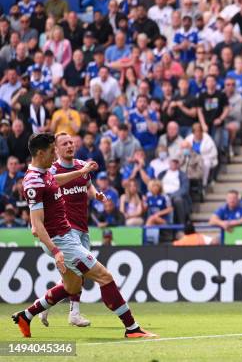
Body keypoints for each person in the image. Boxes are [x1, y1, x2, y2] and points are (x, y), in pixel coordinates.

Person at [13, 133, 155, 339]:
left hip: (67, 235)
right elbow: (36, 225)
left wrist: (81, 171)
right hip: (61, 240)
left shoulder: (44, 173)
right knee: (104, 277)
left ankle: (26, 315)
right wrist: (56, 250)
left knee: (72, 286)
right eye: (53, 150)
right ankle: (132, 328)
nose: (55, 154)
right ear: (41, 153)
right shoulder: (33, 181)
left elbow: (56, 180)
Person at [37, 132, 107, 328]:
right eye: (64, 144)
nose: (69, 146)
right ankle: (74, 313)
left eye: (71, 142)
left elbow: (88, 185)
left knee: (74, 274)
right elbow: (49, 186)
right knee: (80, 270)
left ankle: (45, 305)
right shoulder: (51, 171)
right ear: (56, 149)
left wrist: (97, 195)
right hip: (64, 228)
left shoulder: (81, 165)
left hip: (82, 226)